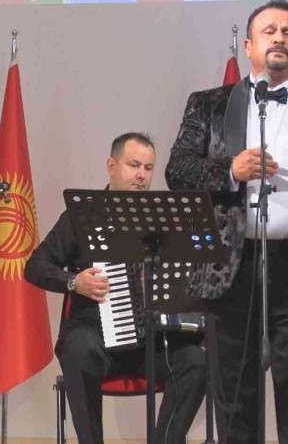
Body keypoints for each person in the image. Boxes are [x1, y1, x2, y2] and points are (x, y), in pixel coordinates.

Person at [26, 132, 206, 444]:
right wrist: (74, 282)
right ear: (111, 166)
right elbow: (35, 266)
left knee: (196, 361)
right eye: (133, 165)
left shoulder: (166, 219)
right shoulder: (83, 216)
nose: (141, 175)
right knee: (78, 350)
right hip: (95, 339)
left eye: (148, 168)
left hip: (152, 342)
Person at [165, 0, 288, 443]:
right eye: (270, 31)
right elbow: (177, 170)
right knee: (235, 394)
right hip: (230, 266)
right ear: (250, 45)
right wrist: (229, 171)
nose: (280, 38)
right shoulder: (210, 105)